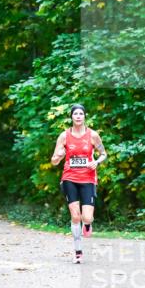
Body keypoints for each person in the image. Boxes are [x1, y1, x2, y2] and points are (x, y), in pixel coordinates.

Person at [50, 103, 106, 264]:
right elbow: (53, 161)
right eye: (76, 114)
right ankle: (78, 252)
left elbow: (103, 153)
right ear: (72, 117)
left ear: (85, 116)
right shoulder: (64, 136)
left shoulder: (93, 135)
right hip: (70, 178)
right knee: (75, 216)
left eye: (81, 113)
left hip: (88, 178)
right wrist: (59, 156)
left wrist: (97, 161)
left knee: (87, 217)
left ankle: (87, 225)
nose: (78, 116)